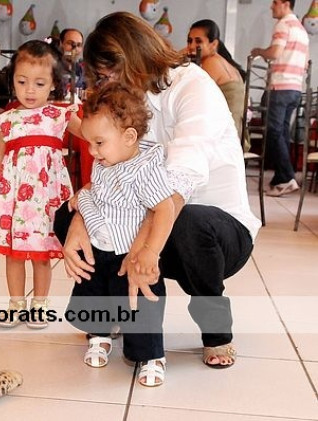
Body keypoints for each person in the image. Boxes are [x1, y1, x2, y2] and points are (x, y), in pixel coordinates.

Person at [57, 11, 261, 369]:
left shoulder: (193, 87)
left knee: (188, 222)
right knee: (68, 215)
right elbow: (112, 174)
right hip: (155, 219)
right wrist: (80, 221)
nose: (106, 85)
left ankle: (216, 332)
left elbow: (178, 187)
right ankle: (112, 313)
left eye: (109, 74)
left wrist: (144, 248)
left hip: (215, 233)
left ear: (132, 57)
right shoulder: (129, 104)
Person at [63, 82, 175, 386]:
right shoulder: (106, 160)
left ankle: (152, 355)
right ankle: (99, 334)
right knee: (95, 291)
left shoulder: (145, 169)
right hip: (101, 246)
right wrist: (84, 195)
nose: (92, 151)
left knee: (139, 303)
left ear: (129, 137)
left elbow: (165, 209)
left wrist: (150, 251)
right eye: (89, 142)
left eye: (99, 142)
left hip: (130, 253)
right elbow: (101, 190)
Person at [0, 40, 83, 329]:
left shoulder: (59, 115)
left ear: (53, 84)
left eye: (39, 83)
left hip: (44, 199)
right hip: (15, 199)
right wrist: (2, 194)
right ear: (12, 81)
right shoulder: (7, 119)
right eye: (22, 82)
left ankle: (40, 304)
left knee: (41, 255)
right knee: (13, 255)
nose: (30, 90)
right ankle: (16, 303)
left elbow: (92, 133)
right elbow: (1, 157)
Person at [251, 0, 309, 197]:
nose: (271, 6)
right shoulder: (301, 29)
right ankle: (279, 179)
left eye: (275, 2)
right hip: (295, 88)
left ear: (285, 3)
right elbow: (305, 64)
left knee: (274, 132)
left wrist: (259, 52)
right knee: (282, 132)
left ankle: (287, 177)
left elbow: (275, 53)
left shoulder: (283, 25)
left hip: (281, 86)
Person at [185, 19, 249, 149]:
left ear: (213, 44)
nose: (191, 46)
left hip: (225, 138)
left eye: (198, 41)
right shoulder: (224, 62)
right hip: (236, 134)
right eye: (189, 41)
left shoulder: (211, 62)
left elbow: (194, 97)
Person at [58, 28, 86, 100]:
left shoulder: (83, 72)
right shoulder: (51, 68)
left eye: (79, 45)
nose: (75, 48)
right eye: (70, 43)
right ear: (61, 44)